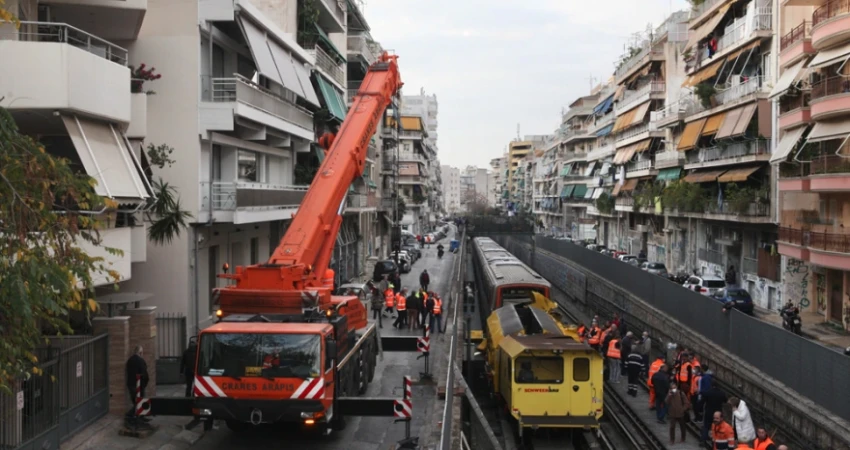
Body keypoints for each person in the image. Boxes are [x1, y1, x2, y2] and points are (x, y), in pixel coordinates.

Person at [125, 345, 151, 424]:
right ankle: (133, 415)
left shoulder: (129, 360)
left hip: (131, 384)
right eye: (142, 352)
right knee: (141, 401)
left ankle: (137, 416)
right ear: (140, 352)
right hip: (139, 385)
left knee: (135, 401)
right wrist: (145, 383)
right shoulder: (141, 361)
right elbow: (145, 374)